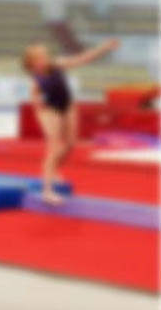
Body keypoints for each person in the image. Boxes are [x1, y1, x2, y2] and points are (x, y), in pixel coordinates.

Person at [23, 38, 120, 204]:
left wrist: (104, 48)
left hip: (67, 105)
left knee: (70, 144)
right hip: (50, 110)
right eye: (39, 58)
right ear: (32, 63)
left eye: (45, 56)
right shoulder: (35, 79)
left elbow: (83, 59)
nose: (44, 59)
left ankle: (54, 170)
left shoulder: (57, 64)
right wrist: (39, 109)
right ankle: (47, 191)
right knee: (54, 148)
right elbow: (35, 98)